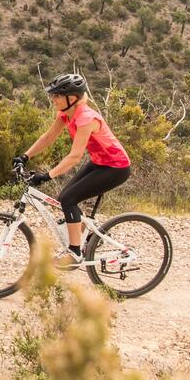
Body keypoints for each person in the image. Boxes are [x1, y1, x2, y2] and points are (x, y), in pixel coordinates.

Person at [18, 73, 131, 267]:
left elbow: (75, 156)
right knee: (66, 196)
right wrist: (25, 156)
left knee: (67, 199)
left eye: (57, 96)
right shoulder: (66, 113)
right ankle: (87, 236)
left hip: (116, 167)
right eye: (53, 95)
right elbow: (48, 137)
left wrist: (47, 175)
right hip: (100, 162)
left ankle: (75, 253)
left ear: (73, 98)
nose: (53, 99)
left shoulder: (86, 118)